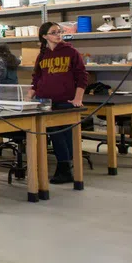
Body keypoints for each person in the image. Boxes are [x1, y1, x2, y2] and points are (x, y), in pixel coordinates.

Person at [27, 21, 87, 185]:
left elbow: (82, 76)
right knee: (55, 133)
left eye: (59, 31)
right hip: (45, 101)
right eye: (54, 32)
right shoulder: (42, 55)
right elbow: (37, 77)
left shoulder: (70, 52)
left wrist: (78, 98)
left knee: (64, 135)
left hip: (65, 100)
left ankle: (65, 168)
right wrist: (30, 94)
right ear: (45, 36)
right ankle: (64, 167)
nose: (58, 34)